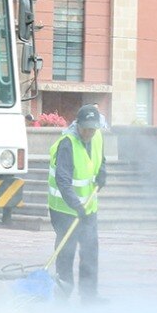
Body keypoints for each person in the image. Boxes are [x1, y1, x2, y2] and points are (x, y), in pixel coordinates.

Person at [46, 104, 108, 302]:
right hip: (64, 210)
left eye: (92, 129)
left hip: (88, 208)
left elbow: (100, 159)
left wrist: (102, 172)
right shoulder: (67, 144)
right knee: (66, 252)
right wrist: (76, 206)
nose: (89, 133)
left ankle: (89, 295)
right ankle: (63, 295)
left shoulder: (97, 136)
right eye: (85, 129)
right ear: (78, 125)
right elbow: (62, 181)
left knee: (90, 250)